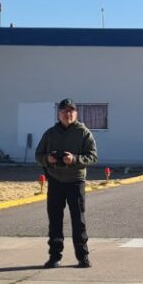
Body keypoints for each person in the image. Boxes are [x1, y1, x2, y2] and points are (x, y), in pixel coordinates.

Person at [35, 98, 98, 268]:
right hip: (55, 181)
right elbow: (38, 155)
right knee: (55, 220)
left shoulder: (83, 133)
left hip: (75, 181)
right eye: (64, 111)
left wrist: (75, 159)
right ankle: (55, 256)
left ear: (76, 114)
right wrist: (47, 159)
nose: (67, 114)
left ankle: (82, 257)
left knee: (79, 221)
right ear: (59, 114)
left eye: (71, 111)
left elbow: (92, 156)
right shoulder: (50, 133)